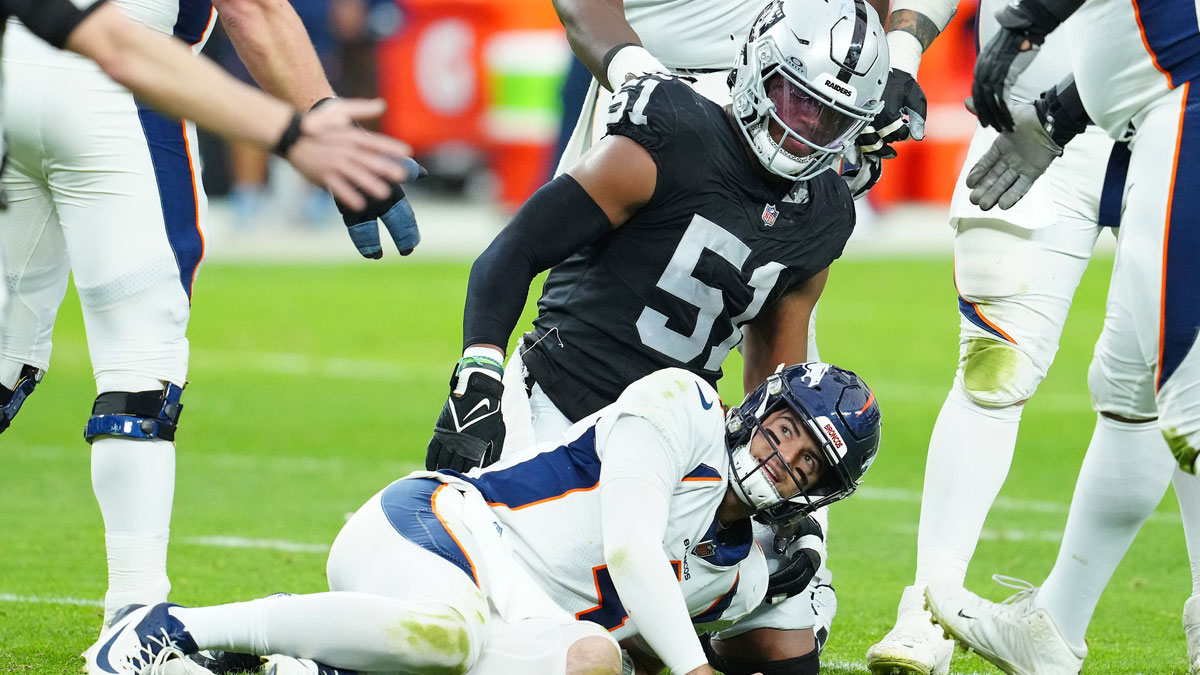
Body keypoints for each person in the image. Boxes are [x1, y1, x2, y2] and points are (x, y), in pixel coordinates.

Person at [426, 0, 887, 671]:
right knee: (539, 631)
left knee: (785, 634)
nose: (801, 131)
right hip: (562, 403)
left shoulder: (823, 214)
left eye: (829, 119)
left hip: (675, 435)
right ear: (759, 65)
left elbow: (773, 385)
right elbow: (515, 249)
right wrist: (478, 375)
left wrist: (790, 518)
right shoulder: (673, 131)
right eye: (795, 100)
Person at [0, 0, 420, 629]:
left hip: (13, 68)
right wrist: (320, 125)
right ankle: (135, 617)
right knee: (140, 362)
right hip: (117, 79)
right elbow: (253, 9)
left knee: (5, 353)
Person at [85, 362, 882, 675]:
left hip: (518, 622)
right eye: (784, 431)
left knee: (583, 659)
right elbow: (633, 550)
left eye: (808, 461)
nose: (783, 458)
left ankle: (296, 667)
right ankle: (174, 625)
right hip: (445, 527)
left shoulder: (740, 576)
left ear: (818, 492)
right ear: (760, 407)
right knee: (478, 633)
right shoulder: (685, 404)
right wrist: (699, 669)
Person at [863, 0, 1200, 673]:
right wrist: (904, 54)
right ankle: (932, 605)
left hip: (1169, 102)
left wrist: (1030, 19)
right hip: (1040, 109)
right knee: (998, 365)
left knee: (1173, 386)